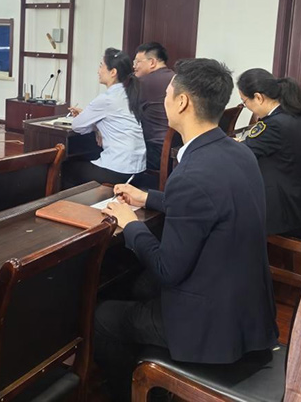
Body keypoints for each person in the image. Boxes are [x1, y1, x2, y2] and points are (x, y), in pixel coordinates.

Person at [96, 59, 278, 402]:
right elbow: (211, 203)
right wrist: (148, 197)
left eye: (167, 93)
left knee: (104, 317)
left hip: (210, 326)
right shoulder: (237, 152)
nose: (164, 100)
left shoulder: (192, 174)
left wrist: (130, 222)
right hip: (246, 309)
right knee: (138, 285)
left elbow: (167, 269)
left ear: (182, 102)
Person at [237, 68, 301, 238]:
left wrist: (235, 144)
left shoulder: (274, 125)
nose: (246, 107)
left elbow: (242, 156)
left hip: (291, 216)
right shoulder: (296, 114)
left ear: (258, 97)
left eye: (244, 101)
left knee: (230, 208)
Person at [62, 48, 147, 189]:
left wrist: (94, 125)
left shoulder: (106, 99)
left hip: (119, 170)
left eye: (101, 66)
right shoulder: (128, 94)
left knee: (66, 168)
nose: (98, 71)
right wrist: (96, 126)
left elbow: (76, 126)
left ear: (113, 72)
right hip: (137, 169)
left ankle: (72, 204)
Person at [133, 42, 175, 170]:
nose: (134, 66)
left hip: (155, 152)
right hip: (176, 151)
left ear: (152, 62)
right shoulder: (176, 79)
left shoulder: (142, 83)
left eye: (137, 62)